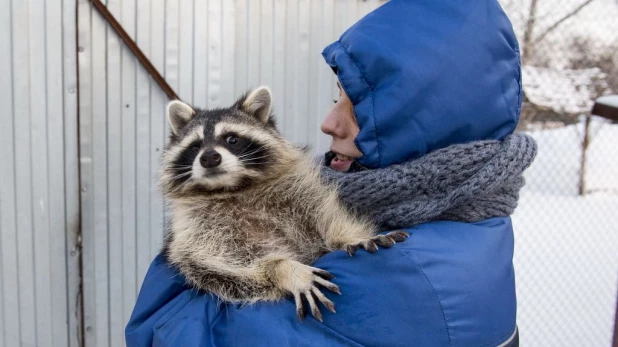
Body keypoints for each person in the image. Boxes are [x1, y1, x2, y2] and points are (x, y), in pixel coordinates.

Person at [126, 0, 536, 345]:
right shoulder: (454, 223)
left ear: (420, 122)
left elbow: (167, 333)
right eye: (333, 98)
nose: (327, 122)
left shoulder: (412, 273)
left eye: (355, 106)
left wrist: (179, 278)